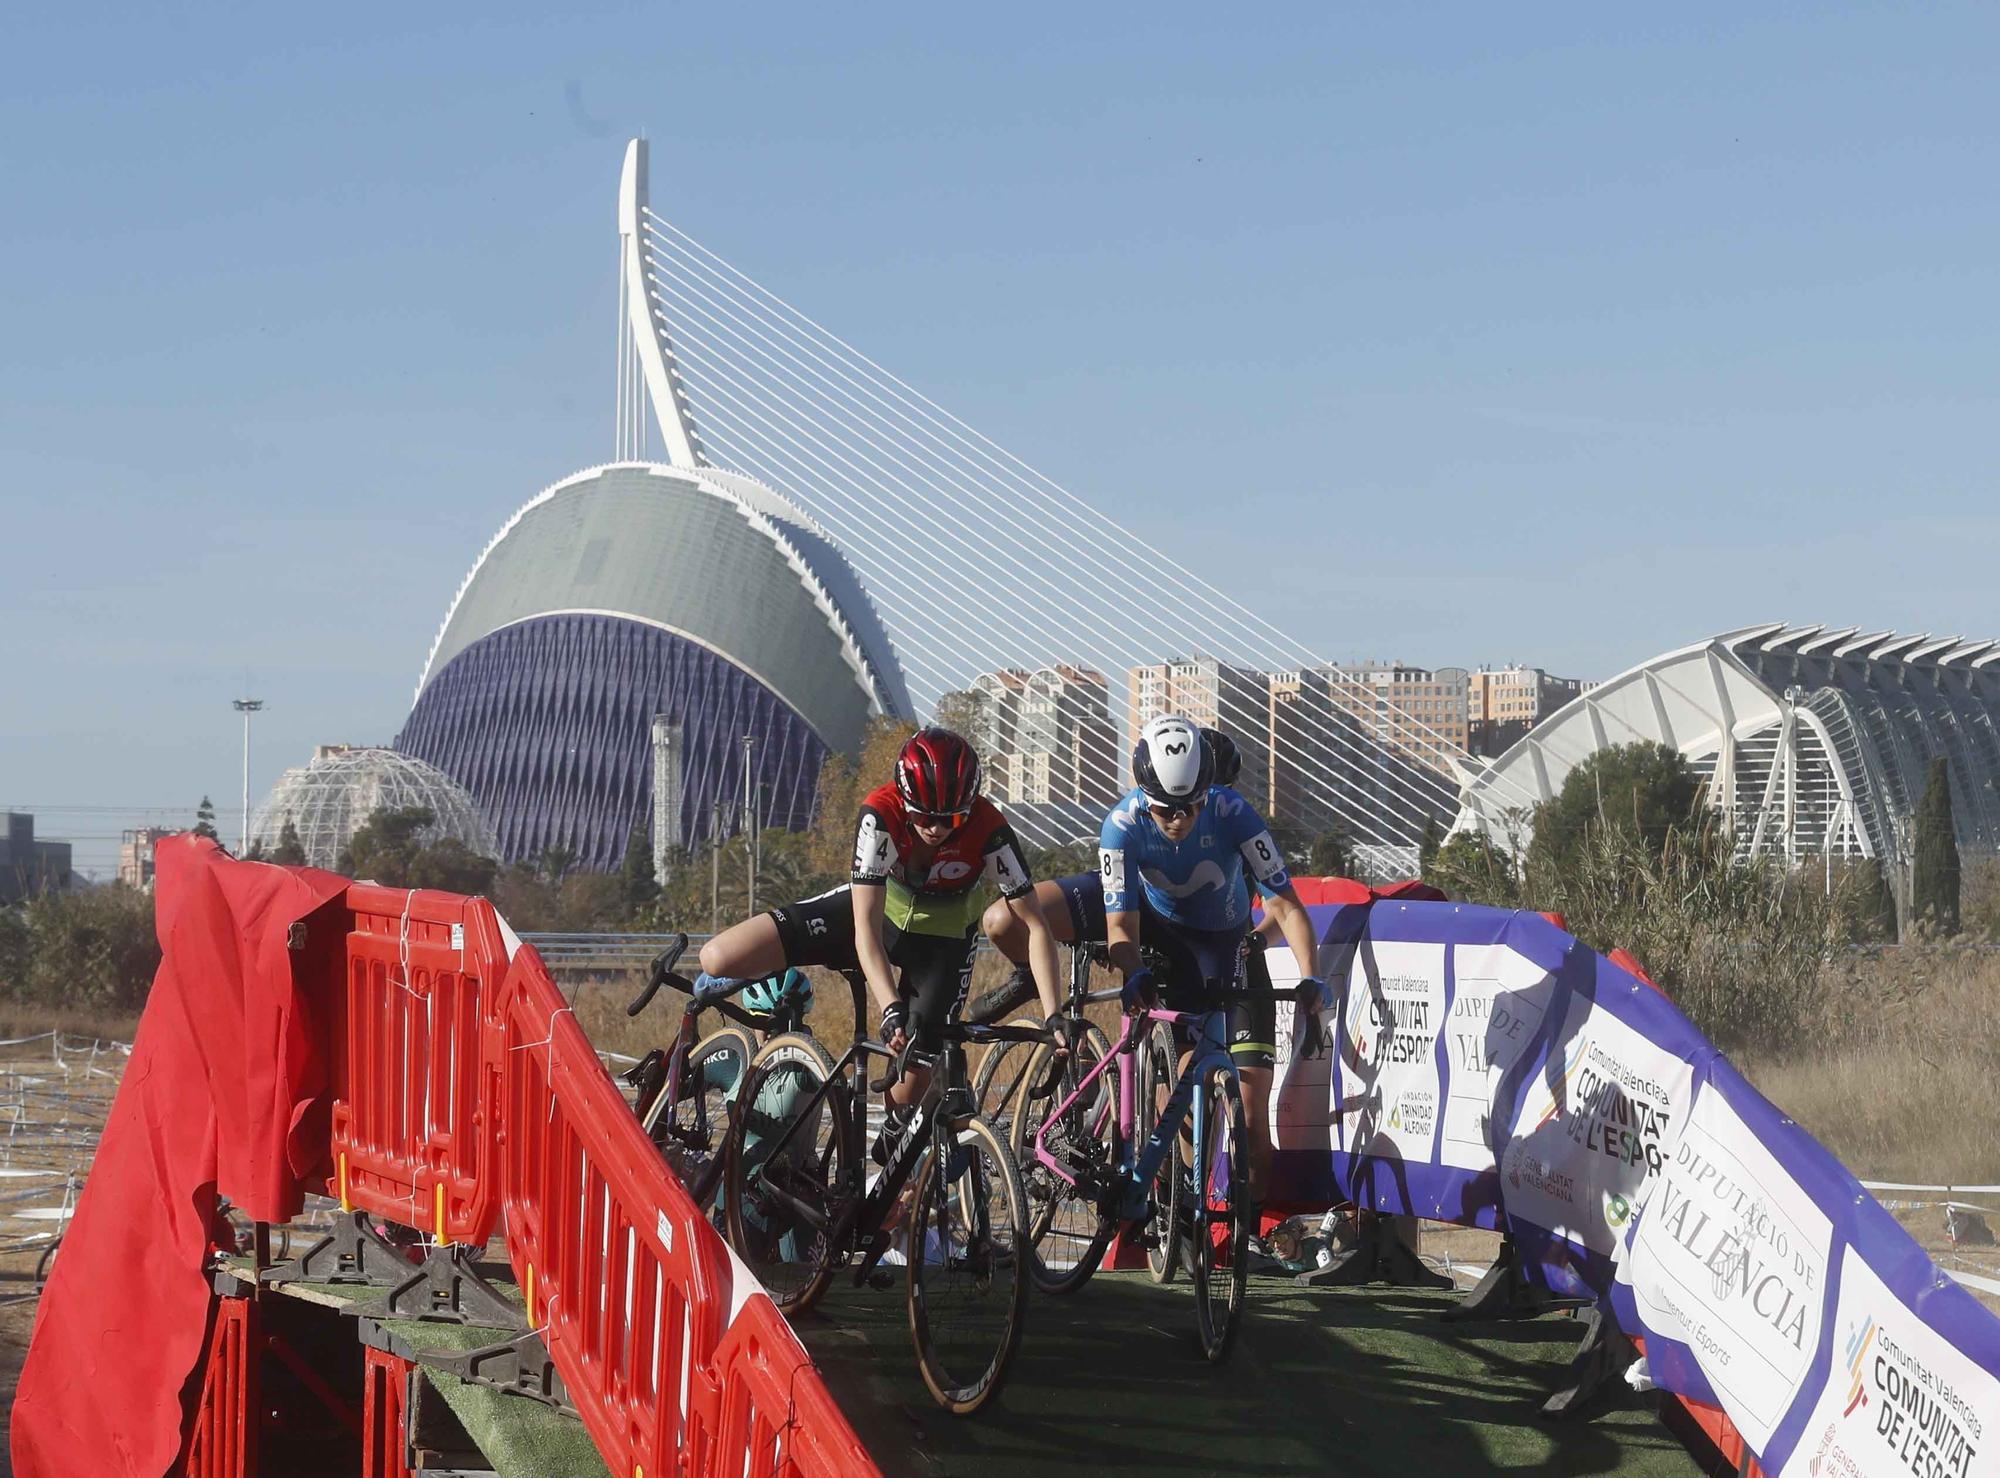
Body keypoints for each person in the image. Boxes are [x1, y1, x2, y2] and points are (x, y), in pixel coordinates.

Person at [981, 716, 1324, 1220]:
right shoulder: (1121, 824)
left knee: (1195, 1089)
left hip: (1216, 939)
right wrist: (1132, 965)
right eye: (1165, 810)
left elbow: (1288, 908)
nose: (1179, 820)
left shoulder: (1233, 812)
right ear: (1144, 794)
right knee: (1174, 1082)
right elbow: (1120, 925)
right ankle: (1050, 1000)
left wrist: (1311, 975)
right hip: (1154, 923)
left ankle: (1202, 1217)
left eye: (1191, 807)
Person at [698, 727, 1065, 1150]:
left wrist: (1054, 1014)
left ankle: (886, 1162)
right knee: (717, 957)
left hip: (942, 940)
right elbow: (866, 931)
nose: (935, 828)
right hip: (875, 917)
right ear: (904, 800)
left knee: (908, 1096)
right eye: (923, 816)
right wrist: (890, 1007)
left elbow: (1036, 925)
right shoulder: (880, 812)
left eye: (951, 819)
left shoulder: (989, 827)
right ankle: (763, 1029)